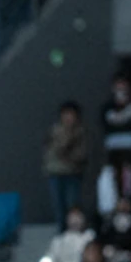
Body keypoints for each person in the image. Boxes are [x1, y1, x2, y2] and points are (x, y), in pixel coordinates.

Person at [43, 101, 89, 235]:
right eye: (66, 114)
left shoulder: (81, 132)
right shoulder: (54, 131)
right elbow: (54, 151)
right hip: (56, 173)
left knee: (73, 205)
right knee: (58, 206)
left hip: (73, 173)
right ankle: (61, 233)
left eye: (72, 114)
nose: (69, 117)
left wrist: (69, 155)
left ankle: (75, 232)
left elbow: (82, 154)